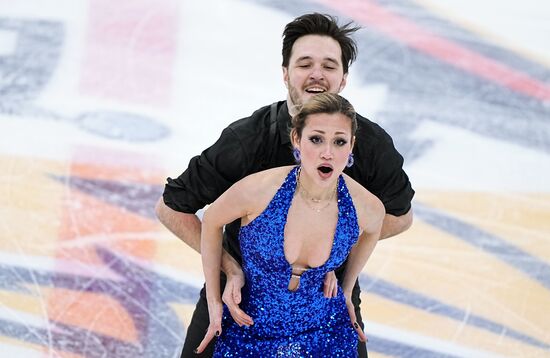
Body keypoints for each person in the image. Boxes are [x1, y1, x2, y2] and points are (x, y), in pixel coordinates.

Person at [155, 13, 414, 357]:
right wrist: (230, 269)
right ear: (285, 73)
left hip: (325, 302)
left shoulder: (372, 145)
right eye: (305, 63)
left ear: (344, 78)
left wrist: (331, 253)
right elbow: (172, 208)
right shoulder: (248, 140)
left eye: (329, 65)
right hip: (242, 297)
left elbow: (398, 216)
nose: (317, 74)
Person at [196, 93, 384, 356]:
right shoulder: (259, 191)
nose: (328, 153)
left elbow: (375, 228)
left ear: (351, 145)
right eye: (316, 139)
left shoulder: (366, 206)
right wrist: (215, 300)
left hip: (324, 335)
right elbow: (212, 220)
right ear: (297, 139)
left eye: (339, 142)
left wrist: (348, 287)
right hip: (249, 332)